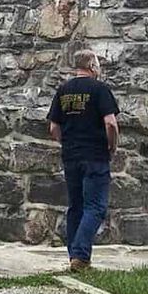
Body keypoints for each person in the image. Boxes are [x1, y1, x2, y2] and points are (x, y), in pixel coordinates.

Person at [47, 49, 120, 271]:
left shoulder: (63, 90)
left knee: (76, 206)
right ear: (92, 67)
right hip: (95, 155)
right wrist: (112, 144)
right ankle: (80, 255)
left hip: (71, 155)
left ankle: (74, 255)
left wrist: (67, 142)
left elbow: (53, 127)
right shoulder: (100, 90)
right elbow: (111, 123)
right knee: (95, 206)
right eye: (98, 65)